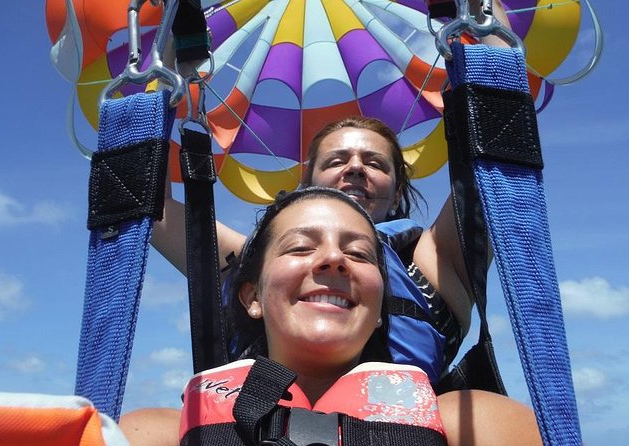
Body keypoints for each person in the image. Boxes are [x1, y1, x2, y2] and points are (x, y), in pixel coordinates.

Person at [152, 0, 513, 379]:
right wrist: (169, 51)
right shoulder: (258, 262)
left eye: (375, 163)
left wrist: (480, 9)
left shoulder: (437, 261)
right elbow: (155, 213)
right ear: (308, 185)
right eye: (336, 161)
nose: (356, 168)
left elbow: (504, 149)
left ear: (397, 187)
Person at [120, 187, 542, 446]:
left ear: (381, 309)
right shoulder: (160, 433)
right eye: (300, 247)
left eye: (358, 253)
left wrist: (493, 67)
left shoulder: (471, 421)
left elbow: (488, 184)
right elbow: (155, 208)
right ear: (251, 296)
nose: (333, 259)